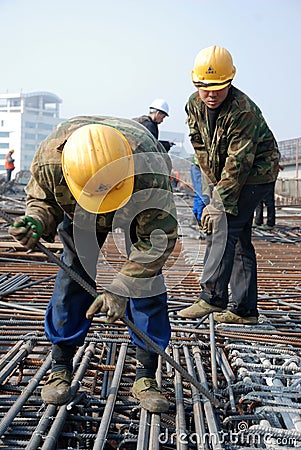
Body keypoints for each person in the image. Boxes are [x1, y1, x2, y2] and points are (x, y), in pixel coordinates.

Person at [8, 116, 178, 413]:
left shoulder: (149, 171)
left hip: (133, 204)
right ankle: (60, 366)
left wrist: (121, 287)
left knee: (146, 283)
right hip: (79, 213)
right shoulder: (51, 162)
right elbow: (42, 201)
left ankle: (146, 375)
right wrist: (36, 221)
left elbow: (156, 241)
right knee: (73, 276)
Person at [178, 45, 280, 325]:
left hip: (256, 172)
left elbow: (239, 164)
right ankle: (245, 310)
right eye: (203, 87)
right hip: (226, 171)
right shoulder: (193, 104)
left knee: (223, 225)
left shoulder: (242, 110)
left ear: (230, 81)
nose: (210, 94)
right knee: (239, 239)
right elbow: (200, 145)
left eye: (218, 87)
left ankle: (212, 298)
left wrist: (218, 203)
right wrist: (212, 190)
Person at [254, 165, 284, 230]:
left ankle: (270, 223)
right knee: (259, 199)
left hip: (268, 177)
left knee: (269, 201)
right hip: (261, 176)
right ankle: (258, 221)